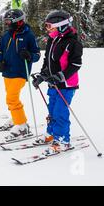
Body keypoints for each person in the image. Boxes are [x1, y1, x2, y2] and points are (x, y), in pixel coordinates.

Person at [32, 10, 83, 153]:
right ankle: (52, 133)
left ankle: (62, 140)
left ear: (61, 26)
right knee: (52, 110)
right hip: (52, 83)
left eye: (50, 26)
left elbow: (76, 64)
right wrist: (42, 76)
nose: (47, 29)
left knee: (60, 111)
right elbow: (47, 61)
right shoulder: (52, 39)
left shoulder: (73, 42)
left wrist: (61, 76)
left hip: (66, 84)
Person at [0, 9, 41, 138]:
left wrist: (29, 55)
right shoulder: (6, 35)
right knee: (10, 98)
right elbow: (0, 51)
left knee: (12, 98)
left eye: (9, 21)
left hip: (20, 72)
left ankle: (22, 125)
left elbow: (37, 55)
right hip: (7, 72)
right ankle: (15, 118)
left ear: (17, 21)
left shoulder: (28, 36)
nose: (7, 24)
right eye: (5, 21)